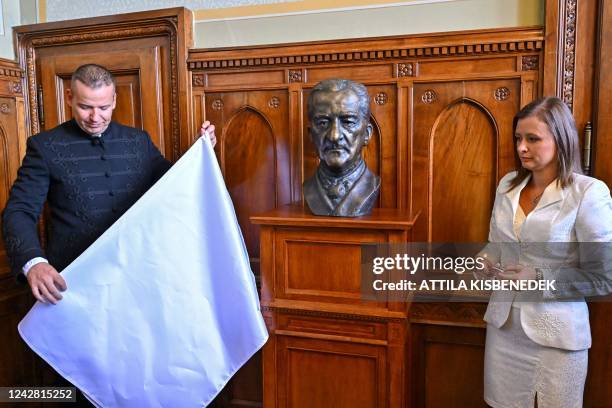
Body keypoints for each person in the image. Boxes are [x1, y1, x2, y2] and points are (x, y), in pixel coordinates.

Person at [2, 64, 217, 305]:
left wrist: (202, 151)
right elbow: (19, 211)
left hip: (138, 277)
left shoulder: (139, 141)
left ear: (114, 100)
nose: (95, 117)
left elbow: (174, 184)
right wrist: (34, 263)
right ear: (70, 98)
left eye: (103, 107)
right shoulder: (43, 147)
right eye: (86, 107)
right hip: (73, 283)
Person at [481, 96, 612, 407]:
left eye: (533, 139)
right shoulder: (508, 185)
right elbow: (496, 246)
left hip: (557, 339)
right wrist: (484, 261)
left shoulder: (588, 193)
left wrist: (538, 277)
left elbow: (603, 277)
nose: (521, 147)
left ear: (561, 140)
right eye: (518, 139)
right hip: (504, 329)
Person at [303, 78, 380, 217]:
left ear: (367, 134)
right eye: (323, 123)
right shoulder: (308, 188)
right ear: (311, 135)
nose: (334, 135)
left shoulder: (372, 184)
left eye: (348, 122)